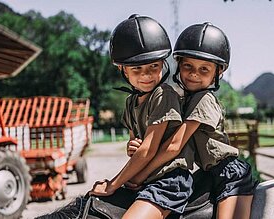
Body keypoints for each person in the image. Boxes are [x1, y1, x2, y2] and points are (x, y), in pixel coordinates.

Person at [128, 22, 259, 219]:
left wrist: (139, 175)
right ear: (178, 65)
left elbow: (174, 145)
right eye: (188, 66)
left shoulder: (204, 100)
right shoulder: (182, 100)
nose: (194, 74)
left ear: (219, 72)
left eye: (204, 69)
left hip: (230, 175)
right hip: (206, 174)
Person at [89, 14, 195, 219]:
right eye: (137, 68)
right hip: (146, 177)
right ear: (123, 70)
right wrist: (132, 147)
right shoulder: (130, 102)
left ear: (162, 64)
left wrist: (113, 184)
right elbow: (136, 146)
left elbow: (148, 149)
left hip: (170, 180)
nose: (146, 75)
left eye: (153, 67)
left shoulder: (164, 94)